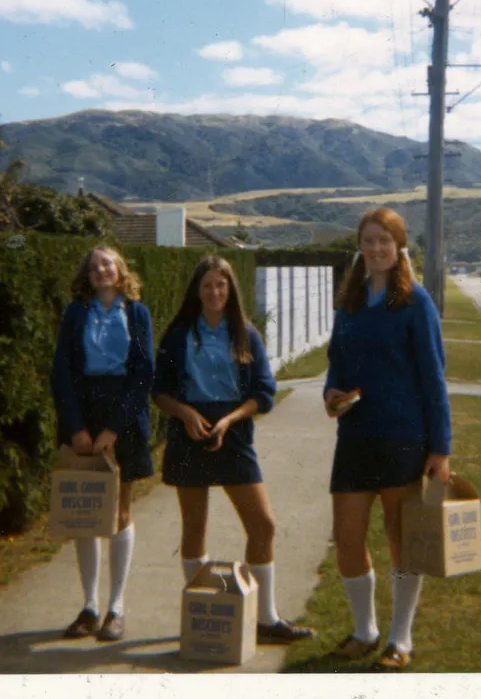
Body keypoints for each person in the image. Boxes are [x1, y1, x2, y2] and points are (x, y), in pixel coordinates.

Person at [152, 255, 315, 645]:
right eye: (207, 285)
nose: (214, 292)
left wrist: (230, 420)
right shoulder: (178, 335)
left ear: (231, 289)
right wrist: (186, 413)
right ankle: (202, 610)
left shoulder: (246, 334)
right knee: (195, 529)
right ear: (197, 290)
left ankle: (266, 618)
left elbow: (264, 393)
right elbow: (159, 391)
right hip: (188, 437)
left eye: (221, 285)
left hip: (234, 436)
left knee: (263, 525)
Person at [323, 208, 451, 671]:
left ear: (399, 248)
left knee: (402, 540)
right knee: (348, 535)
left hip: (403, 438)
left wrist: (440, 448)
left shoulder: (416, 302)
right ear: (359, 247)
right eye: (369, 240)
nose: (376, 248)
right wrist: (331, 393)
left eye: (385, 241)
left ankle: (401, 638)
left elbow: (435, 379)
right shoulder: (350, 303)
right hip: (355, 436)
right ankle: (365, 630)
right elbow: (335, 363)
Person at [50, 246, 155, 642]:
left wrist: (113, 429)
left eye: (106, 264)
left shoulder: (136, 312)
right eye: (92, 266)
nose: (100, 271)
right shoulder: (76, 312)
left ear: (120, 269)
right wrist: (76, 428)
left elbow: (144, 373)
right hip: (82, 416)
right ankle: (89, 606)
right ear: (86, 275)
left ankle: (117, 607)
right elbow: (61, 371)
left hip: (123, 418)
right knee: (85, 512)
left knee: (119, 513)